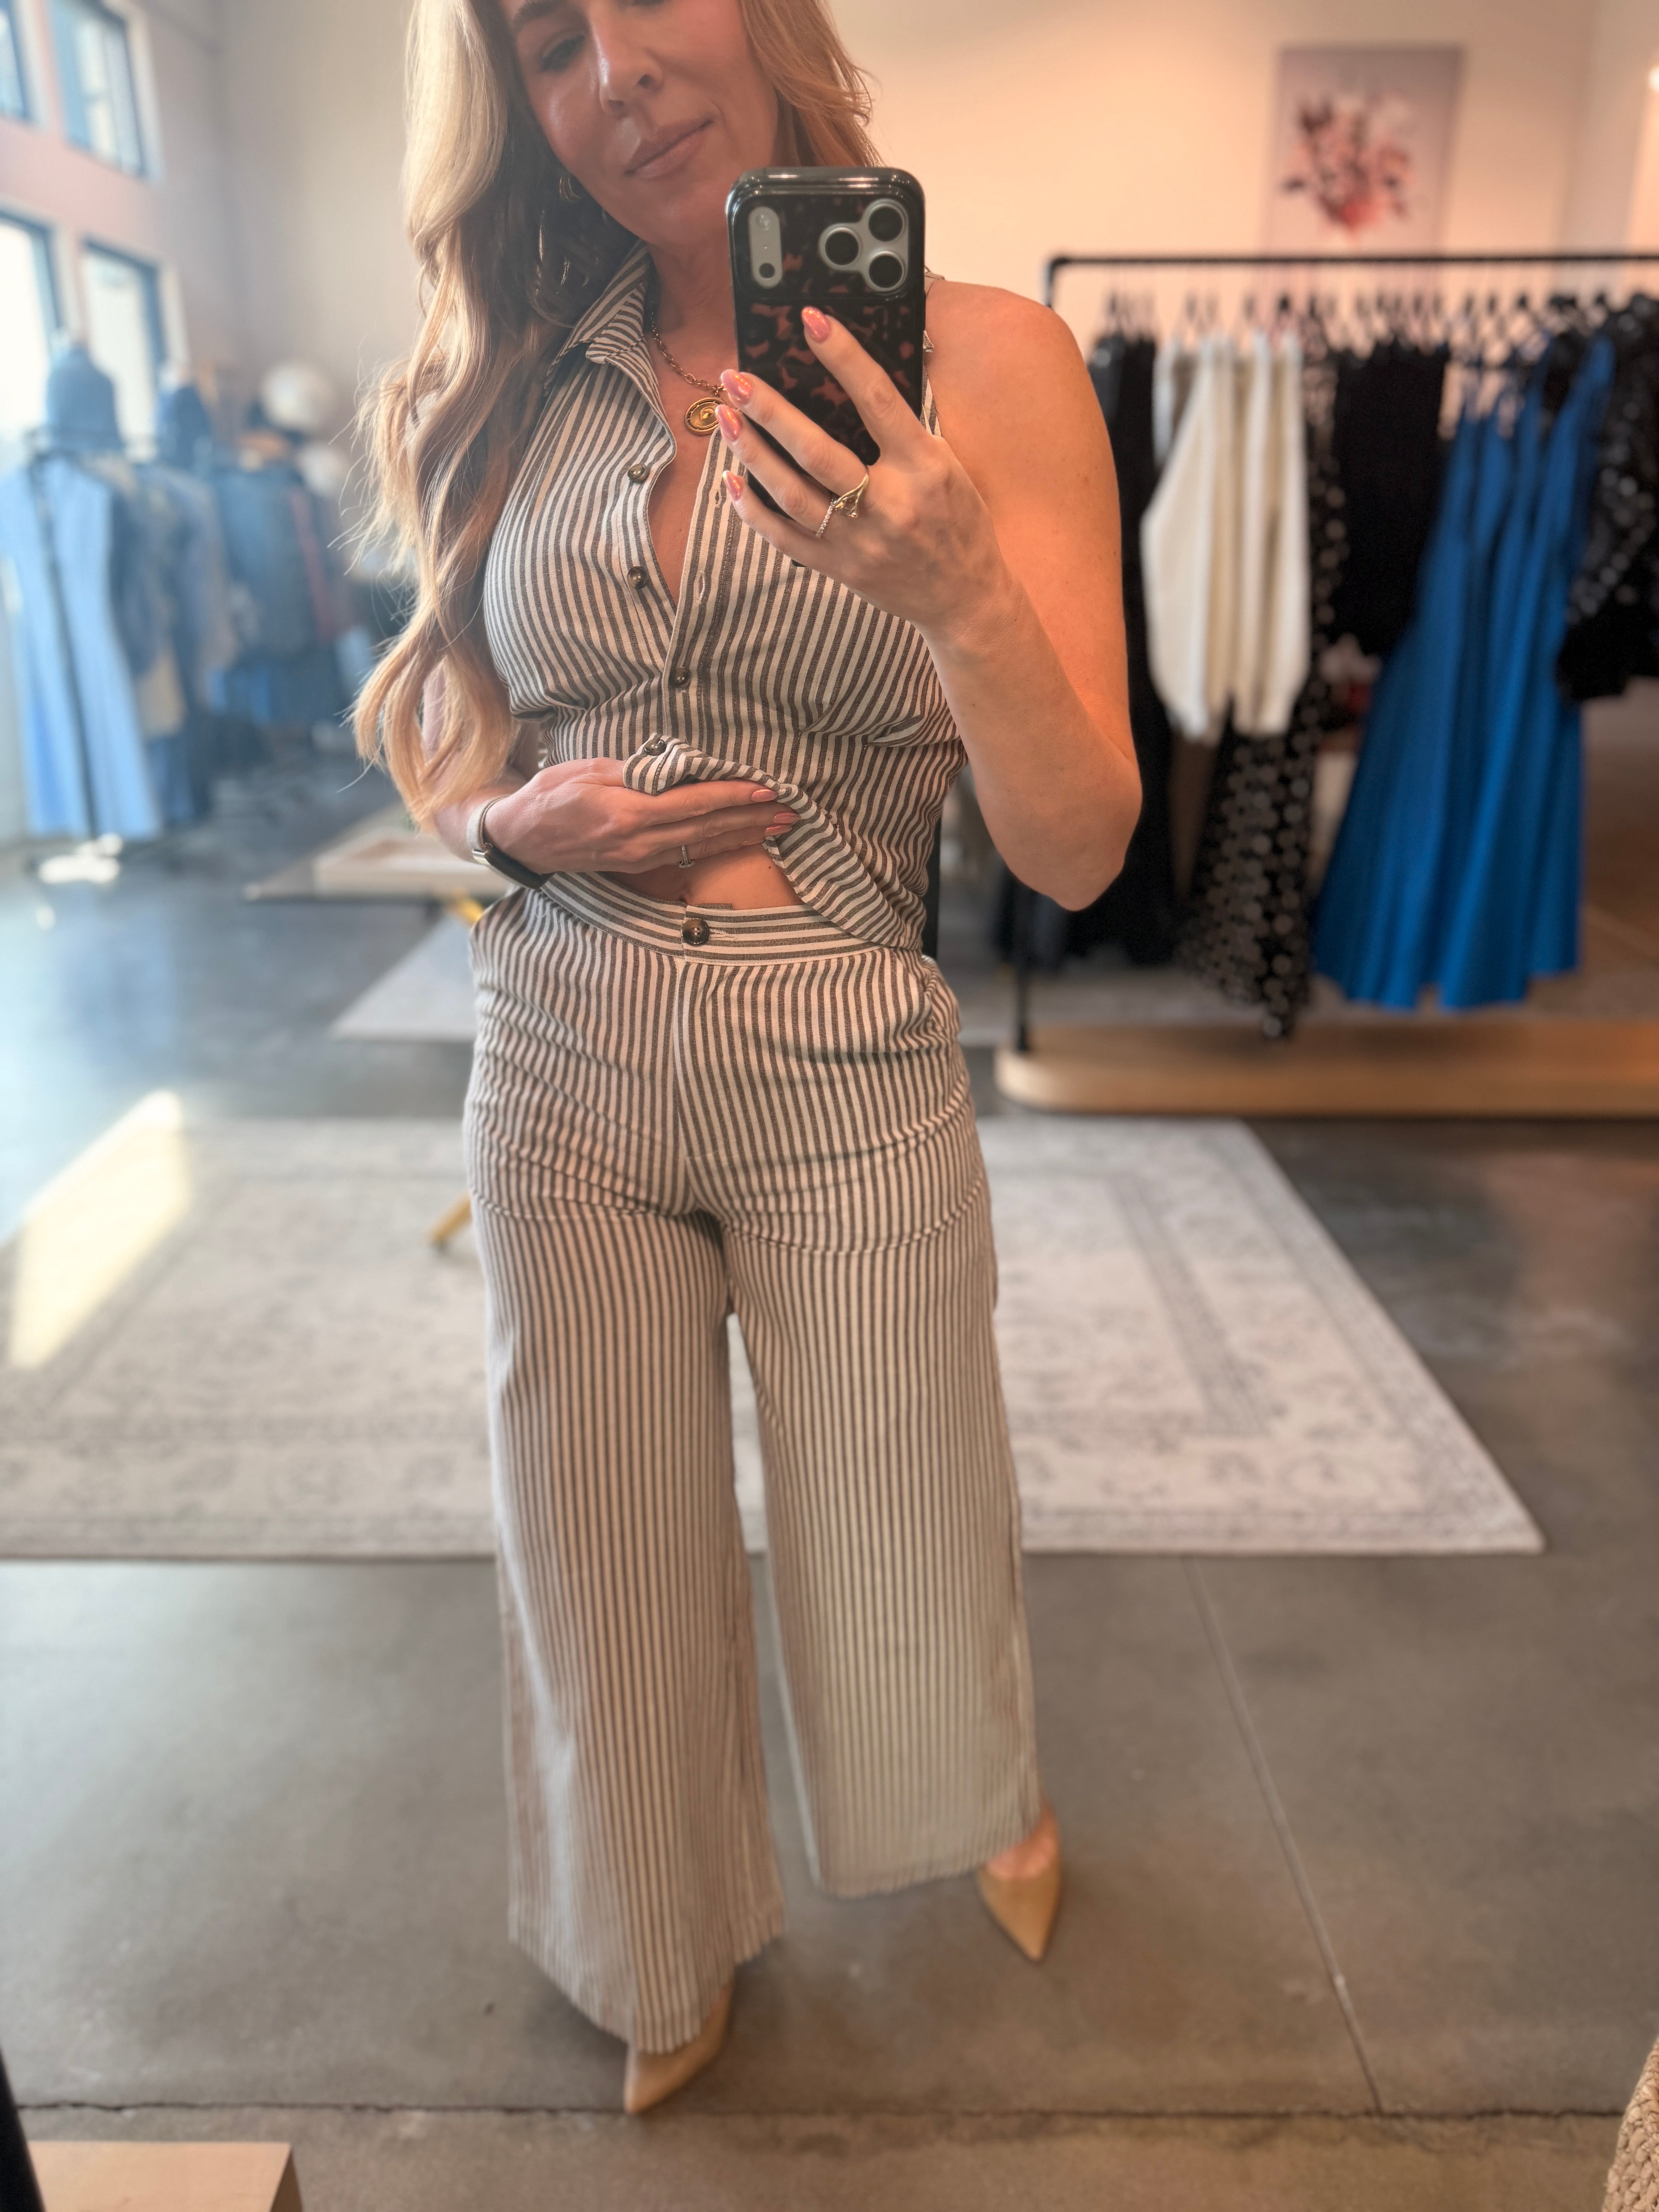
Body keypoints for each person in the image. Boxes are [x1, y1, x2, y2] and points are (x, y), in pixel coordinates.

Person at [357, 0, 1139, 2114]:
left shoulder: (992, 365)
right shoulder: (515, 372)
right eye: (546, 43)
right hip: (562, 1044)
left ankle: (986, 1796)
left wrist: (964, 596)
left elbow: (1079, 848)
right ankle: (652, 1936)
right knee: (596, 1548)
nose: (613, 71)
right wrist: (509, 829)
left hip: (841, 1044)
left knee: (907, 1509)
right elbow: (440, 736)